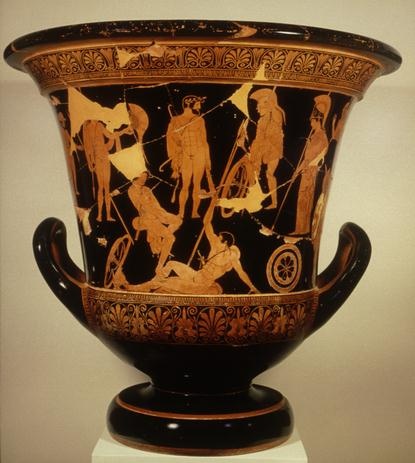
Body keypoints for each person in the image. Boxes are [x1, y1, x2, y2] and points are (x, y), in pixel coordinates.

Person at [133, 205, 258, 294]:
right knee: (171, 264)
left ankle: (140, 288)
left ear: (225, 243)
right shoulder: (215, 244)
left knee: (166, 283)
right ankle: (151, 283)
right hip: (196, 275)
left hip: (201, 285)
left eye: (219, 238)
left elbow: (241, 273)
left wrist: (252, 287)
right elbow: (207, 223)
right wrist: (212, 204)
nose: (216, 239)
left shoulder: (231, 258)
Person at [166, 95, 214, 218]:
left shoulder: (200, 120)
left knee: (197, 185)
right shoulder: (175, 120)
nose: (199, 107)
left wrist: (207, 159)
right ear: (188, 104)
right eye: (197, 104)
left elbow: (204, 140)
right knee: (185, 185)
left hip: (199, 154)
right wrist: (174, 156)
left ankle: (194, 212)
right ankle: (181, 212)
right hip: (185, 154)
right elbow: (169, 139)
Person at [128, 171, 182, 274]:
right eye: (142, 177)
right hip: (148, 219)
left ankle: (161, 239)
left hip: (157, 214)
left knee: (178, 220)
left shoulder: (147, 189)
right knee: (171, 238)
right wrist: (144, 200)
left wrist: (163, 215)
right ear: (135, 177)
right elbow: (141, 207)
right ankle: (159, 267)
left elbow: (156, 204)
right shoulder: (132, 190)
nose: (144, 179)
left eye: (145, 177)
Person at [293, 94, 331, 235]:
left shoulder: (321, 137)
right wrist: (298, 170)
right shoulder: (315, 136)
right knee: (302, 200)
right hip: (308, 171)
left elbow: (315, 158)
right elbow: (307, 158)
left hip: (311, 172)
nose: (310, 124)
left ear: (317, 120)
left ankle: (302, 229)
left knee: (305, 200)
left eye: (312, 121)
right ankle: (300, 228)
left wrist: (302, 169)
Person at [249, 88, 286, 209]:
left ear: (267, 104)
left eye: (259, 105)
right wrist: (254, 150)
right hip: (264, 148)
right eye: (257, 106)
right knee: (255, 171)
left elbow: (276, 112)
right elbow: (258, 138)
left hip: (274, 149)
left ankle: (274, 203)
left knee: (269, 174)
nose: (257, 109)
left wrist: (270, 101)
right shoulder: (261, 121)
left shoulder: (275, 114)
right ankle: (254, 198)